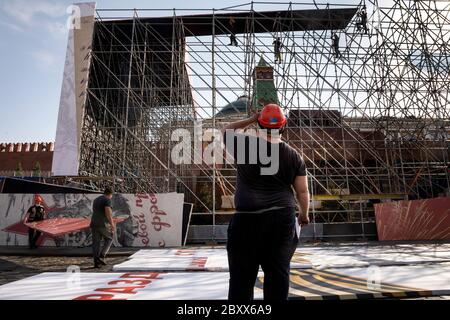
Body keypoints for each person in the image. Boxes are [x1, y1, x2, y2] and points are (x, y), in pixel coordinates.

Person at [222, 104, 310, 301]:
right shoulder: (294, 155)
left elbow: (226, 131)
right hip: (281, 219)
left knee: (241, 280)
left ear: (259, 127)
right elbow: (302, 192)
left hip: (246, 220)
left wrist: (252, 119)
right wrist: (304, 215)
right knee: (277, 275)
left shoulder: (245, 145)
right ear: (283, 127)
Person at [90, 187, 115, 268]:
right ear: (110, 194)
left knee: (96, 243)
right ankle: (101, 255)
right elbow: (108, 212)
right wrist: (112, 224)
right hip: (102, 224)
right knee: (110, 238)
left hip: (94, 223)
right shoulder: (107, 200)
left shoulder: (96, 199)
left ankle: (96, 262)